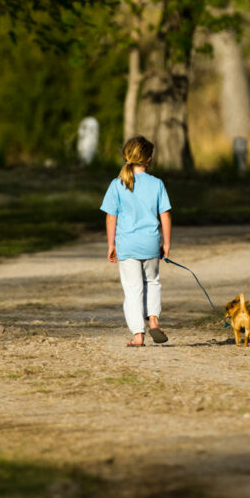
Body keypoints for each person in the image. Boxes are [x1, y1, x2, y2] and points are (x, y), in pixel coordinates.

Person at [100, 136, 172, 347]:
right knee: (152, 282)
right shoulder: (157, 183)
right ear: (149, 159)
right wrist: (166, 243)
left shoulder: (117, 184)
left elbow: (111, 216)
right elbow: (165, 215)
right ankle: (154, 321)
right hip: (150, 243)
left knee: (132, 289)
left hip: (127, 245)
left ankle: (138, 335)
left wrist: (111, 244)